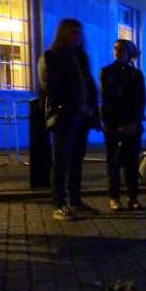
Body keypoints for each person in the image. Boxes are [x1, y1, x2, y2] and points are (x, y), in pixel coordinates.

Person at [38, 19, 100, 221]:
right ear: (62, 34)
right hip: (64, 117)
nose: (77, 37)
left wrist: (91, 110)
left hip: (81, 118)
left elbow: (89, 87)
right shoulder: (51, 57)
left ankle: (75, 200)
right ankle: (59, 204)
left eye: (79, 33)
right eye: (73, 33)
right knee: (61, 162)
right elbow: (51, 90)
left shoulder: (80, 58)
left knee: (76, 162)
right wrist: (75, 107)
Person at [99, 39, 146, 212]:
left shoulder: (136, 74)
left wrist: (134, 122)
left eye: (121, 49)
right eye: (115, 48)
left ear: (129, 52)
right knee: (113, 162)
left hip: (132, 124)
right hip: (113, 125)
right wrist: (113, 123)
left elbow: (140, 100)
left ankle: (133, 197)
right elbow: (106, 100)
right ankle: (114, 198)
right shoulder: (107, 72)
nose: (117, 51)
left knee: (132, 163)